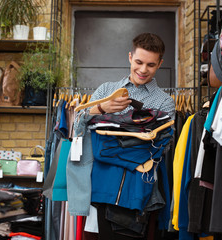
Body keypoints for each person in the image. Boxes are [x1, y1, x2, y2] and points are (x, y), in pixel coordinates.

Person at [66, 33, 176, 239]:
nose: (143, 70)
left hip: (137, 188)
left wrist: (107, 141)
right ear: (130, 57)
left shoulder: (165, 102)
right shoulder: (107, 90)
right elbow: (79, 126)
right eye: (139, 62)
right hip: (99, 182)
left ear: (160, 64)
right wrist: (101, 108)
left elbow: (160, 148)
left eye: (151, 65)